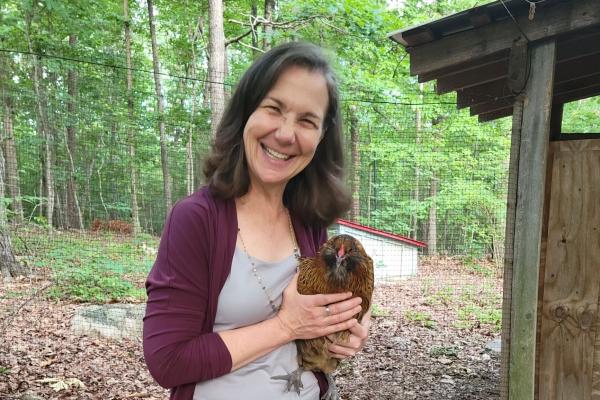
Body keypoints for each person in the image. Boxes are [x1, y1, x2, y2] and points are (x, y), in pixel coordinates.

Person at [143, 41, 371, 400]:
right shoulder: (196, 219)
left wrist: (349, 325)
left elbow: (319, 318)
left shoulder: (309, 220)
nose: (284, 133)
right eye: (274, 109)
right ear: (247, 111)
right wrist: (285, 325)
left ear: (321, 136)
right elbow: (168, 361)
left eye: (307, 121)